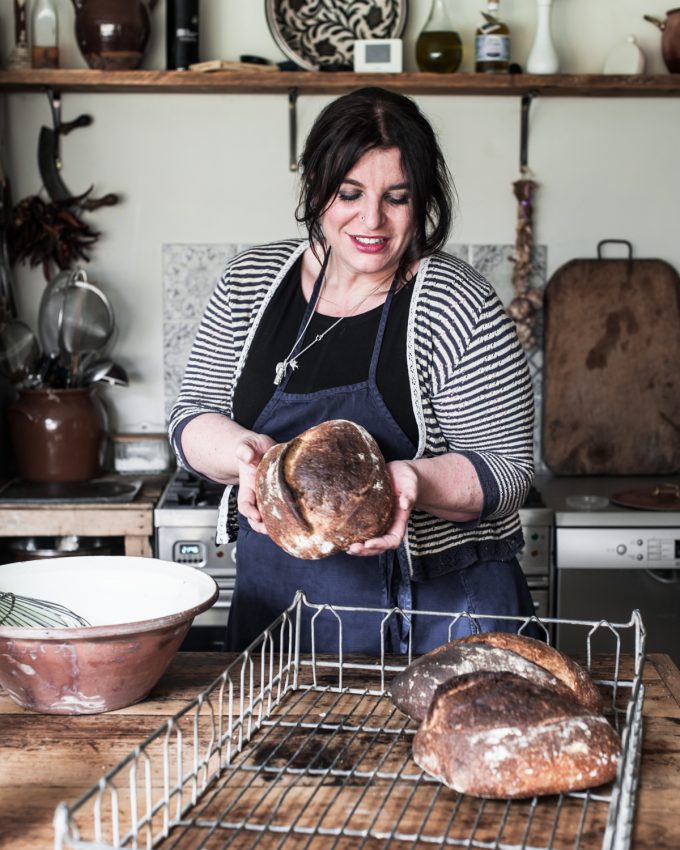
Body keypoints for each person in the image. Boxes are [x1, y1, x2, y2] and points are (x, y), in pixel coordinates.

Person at [169, 86, 536, 655]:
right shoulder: (250, 282)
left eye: (397, 196)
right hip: (286, 623)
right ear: (316, 188)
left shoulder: (457, 302)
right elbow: (191, 419)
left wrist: (409, 482)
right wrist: (249, 458)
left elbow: (509, 471)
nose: (373, 220)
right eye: (349, 193)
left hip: (444, 623)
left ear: (422, 200)